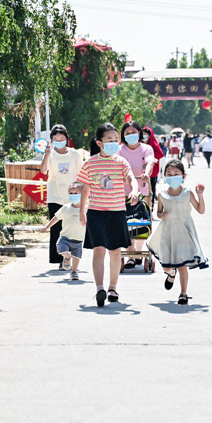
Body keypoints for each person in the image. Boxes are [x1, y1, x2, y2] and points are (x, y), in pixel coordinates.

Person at [77, 123, 139, 307]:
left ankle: (112, 288)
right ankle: (100, 289)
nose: (113, 143)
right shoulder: (90, 163)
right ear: (99, 143)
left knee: (115, 251)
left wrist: (134, 190)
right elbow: (85, 189)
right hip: (96, 213)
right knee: (99, 250)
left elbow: (131, 178)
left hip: (117, 212)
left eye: (115, 140)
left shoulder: (121, 162)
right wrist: (82, 211)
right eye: (109, 140)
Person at [146, 160, 208, 304]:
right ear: (164, 176)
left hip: (184, 233)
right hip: (167, 232)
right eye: (169, 174)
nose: (172, 176)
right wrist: (161, 215)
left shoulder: (187, 193)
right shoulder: (162, 194)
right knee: (166, 266)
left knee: (182, 265)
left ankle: (183, 293)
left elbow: (200, 210)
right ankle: (170, 274)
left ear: (183, 176)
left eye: (176, 174)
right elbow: (158, 212)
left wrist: (200, 195)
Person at [39, 124, 83, 270]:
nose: (59, 142)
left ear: (66, 138)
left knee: (72, 227)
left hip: (73, 196)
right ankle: (60, 258)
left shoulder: (75, 154)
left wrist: (82, 193)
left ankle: (72, 255)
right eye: (56, 139)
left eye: (61, 139)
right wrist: (46, 154)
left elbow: (81, 174)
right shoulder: (50, 154)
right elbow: (43, 170)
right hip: (55, 195)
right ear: (51, 140)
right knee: (56, 228)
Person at [118, 121, 156, 268]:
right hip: (124, 192)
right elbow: (117, 165)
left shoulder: (146, 148)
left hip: (143, 191)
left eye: (133, 132)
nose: (130, 134)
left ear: (139, 133)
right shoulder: (120, 150)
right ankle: (131, 256)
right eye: (127, 133)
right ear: (123, 135)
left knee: (142, 223)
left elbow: (150, 162)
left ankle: (139, 253)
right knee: (128, 223)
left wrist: (147, 174)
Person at [38, 183, 86, 281]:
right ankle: (67, 257)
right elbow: (56, 217)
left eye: (76, 193)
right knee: (61, 249)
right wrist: (47, 226)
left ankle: (74, 272)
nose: (73, 195)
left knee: (76, 257)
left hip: (78, 238)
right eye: (71, 193)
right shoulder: (66, 207)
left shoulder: (85, 210)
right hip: (65, 237)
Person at [142, 126, 165, 215]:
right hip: (140, 171)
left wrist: (150, 157)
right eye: (143, 134)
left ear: (150, 135)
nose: (144, 136)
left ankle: (150, 209)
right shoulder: (138, 143)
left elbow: (160, 154)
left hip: (152, 172)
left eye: (146, 134)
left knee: (151, 189)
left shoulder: (154, 144)